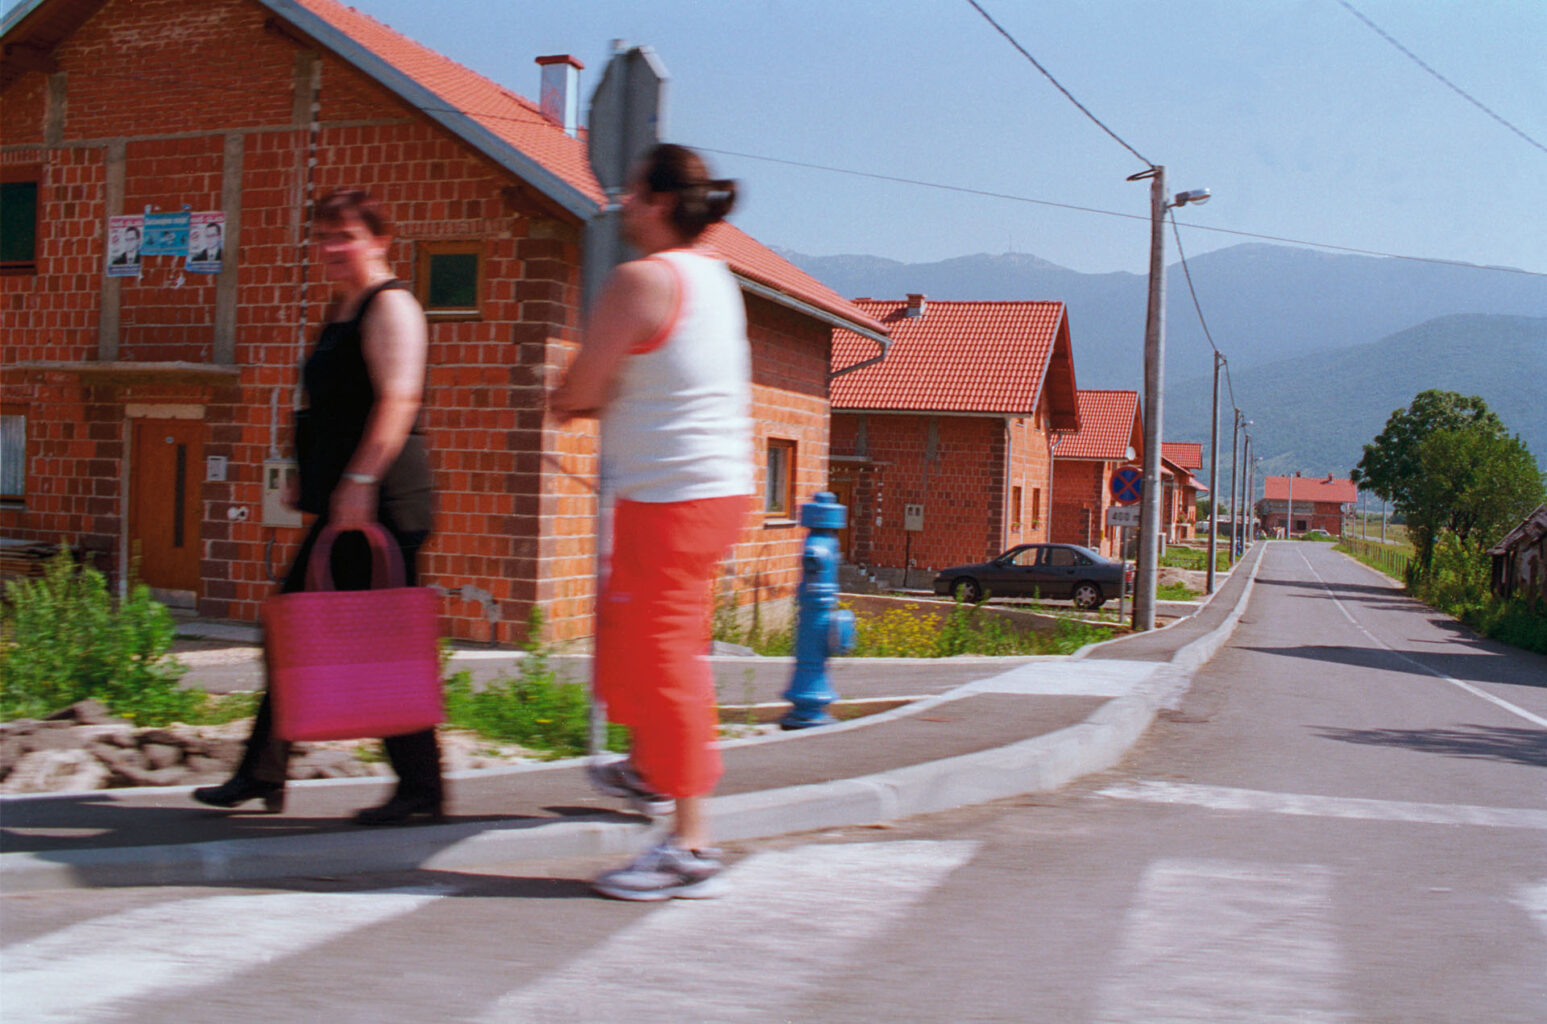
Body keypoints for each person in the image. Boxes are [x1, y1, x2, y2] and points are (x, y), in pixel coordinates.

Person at [194, 188, 442, 826]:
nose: (331, 248)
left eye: (345, 236)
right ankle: (269, 773)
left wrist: (359, 479)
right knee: (296, 630)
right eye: (323, 236)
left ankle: (414, 788)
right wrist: (308, 474)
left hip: (382, 503)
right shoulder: (343, 307)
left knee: (358, 641)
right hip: (345, 501)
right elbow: (330, 408)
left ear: (379, 240)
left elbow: (399, 399)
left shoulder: (393, 305)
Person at [550, 144, 752, 900]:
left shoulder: (638, 282)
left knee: (664, 656)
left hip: (672, 499)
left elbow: (581, 387)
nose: (620, 206)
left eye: (631, 194)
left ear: (661, 202)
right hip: (703, 493)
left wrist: (566, 396)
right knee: (631, 632)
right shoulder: (714, 273)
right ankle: (648, 768)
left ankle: (689, 846)